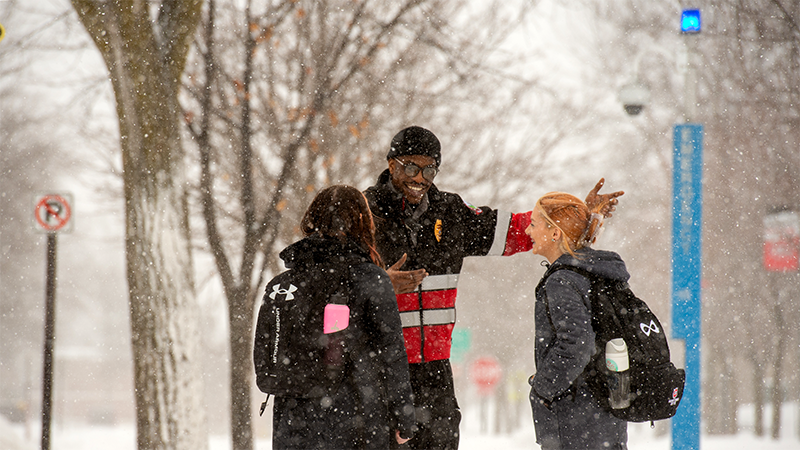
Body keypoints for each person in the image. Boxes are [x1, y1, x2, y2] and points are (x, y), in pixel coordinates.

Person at [363, 125, 623, 449]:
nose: (420, 177)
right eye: (411, 167)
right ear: (392, 165)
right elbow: (327, 282)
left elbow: (519, 231)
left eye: (428, 168)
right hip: (378, 369)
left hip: (435, 375)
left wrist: (578, 215)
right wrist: (378, 283)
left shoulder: (449, 212)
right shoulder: (363, 213)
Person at [256, 185, 416, 449]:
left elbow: (265, 354)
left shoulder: (283, 284)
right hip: (356, 419)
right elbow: (392, 354)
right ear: (362, 224)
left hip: (292, 422)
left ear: (313, 219)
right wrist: (405, 417)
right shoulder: (370, 279)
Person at [525, 191, 629, 450]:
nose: (528, 230)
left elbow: (577, 344)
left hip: (575, 420)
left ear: (555, 234)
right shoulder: (595, 271)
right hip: (604, 416)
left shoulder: (562, 280)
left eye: (534, 223)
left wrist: (542, 389)